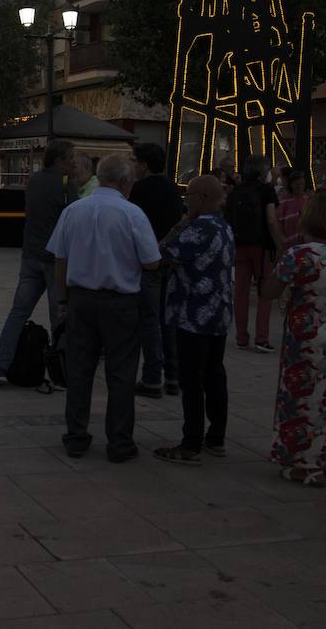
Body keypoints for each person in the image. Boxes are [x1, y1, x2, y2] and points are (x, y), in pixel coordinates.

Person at [48, 154, 161, 462]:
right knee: (122, 372)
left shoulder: (74, 210)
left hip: (81, 299)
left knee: (80, 370)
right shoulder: (132, 213)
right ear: (125, 181)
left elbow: (60, 259)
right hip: (121, 301)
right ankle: (120, 441)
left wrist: (62, 300)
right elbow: (151, 260)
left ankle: (76, 436)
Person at [261, 191, 326, 486]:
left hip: (305, 339)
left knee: (303, 399)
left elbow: (270, 292)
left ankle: (305, 464)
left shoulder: (300, 255)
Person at [153, 175, 234, 465]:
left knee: (192, 379)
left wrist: (180, 223)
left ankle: (191, 443)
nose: (185, 200)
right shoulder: (224, 226)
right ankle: (216, 437)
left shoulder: (198, 228)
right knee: (214, 374)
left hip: (194, 315)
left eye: (188, 195)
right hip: (219, 314)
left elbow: (160, 253)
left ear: (200, 198)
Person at [0, 139, 76, 386]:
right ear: (59, 160)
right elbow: (73, 217)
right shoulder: (67, 183)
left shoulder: (34, 180)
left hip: (30, 255)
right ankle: (62, 372)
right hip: (54, 258)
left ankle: (1, 366)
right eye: (70, 158)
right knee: (58, 313)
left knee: (18, 312)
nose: (74, 163)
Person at [129, 142, 185, 399]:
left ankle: (152, 378)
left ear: (143, 164)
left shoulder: (140, 189)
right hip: (170, 260)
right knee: (168, 319)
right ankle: (174, 376)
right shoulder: (173, 189)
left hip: (148, 260)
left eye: (135, 161)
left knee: (149, 320)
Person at [226, 155, 284, 352]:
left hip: (239, 245)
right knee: (264, 292)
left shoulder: (236, 190)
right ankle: (261, 338)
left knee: (240, 293)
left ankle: (241, 337)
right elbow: (271, 220)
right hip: (262, 246)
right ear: (263, 170)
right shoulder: (266, 190)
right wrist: (280, 245)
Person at [276, 168, 307, 247]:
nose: (300, 187)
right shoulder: (284, 201)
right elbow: (278, 222)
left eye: (302, 184)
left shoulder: (309, 199)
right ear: (291, 185)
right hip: (289, 242)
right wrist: (282, 238)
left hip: (306, 241)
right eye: (297, 184)